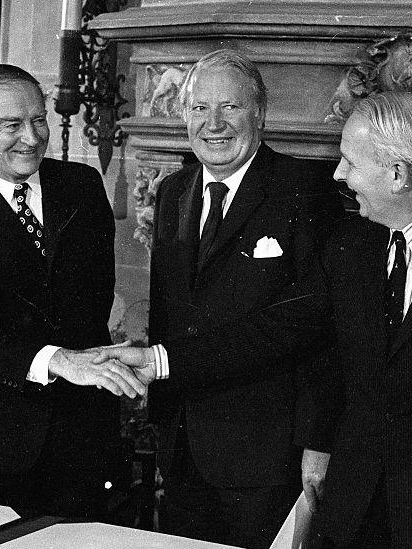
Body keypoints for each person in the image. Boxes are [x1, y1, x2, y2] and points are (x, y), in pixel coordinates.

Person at [98, 91, 412, 548]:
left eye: (350, 162)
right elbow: (274, 328)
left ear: (398, 175)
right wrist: (159, 359)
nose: (338, 174)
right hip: (350, 509)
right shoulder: (350, 246)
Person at [143, 49, 343, 548]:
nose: (213, 124)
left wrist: (318, 442)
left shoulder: (306, 190)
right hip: (184, 445)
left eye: (230, 108)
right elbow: (166, 316)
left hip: (267, 456)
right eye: (199, 108)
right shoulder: (172, 192)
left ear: (260, 112)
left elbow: (321, 329)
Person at [0, 64, 137, 517]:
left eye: (38, 120)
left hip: (83, 435)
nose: (32, 136)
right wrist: (54, 360)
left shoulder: (81, 186)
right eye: (11, 125)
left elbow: (95, 297)